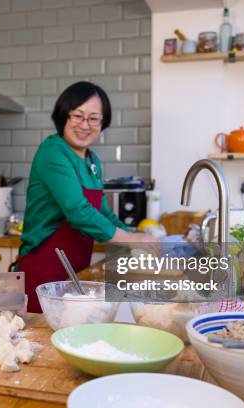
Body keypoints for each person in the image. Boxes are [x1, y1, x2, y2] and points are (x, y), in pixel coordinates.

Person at [16, 81, 156, 313]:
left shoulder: (92, 161)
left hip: (75, 267)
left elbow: (102, 212)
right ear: (64, 116)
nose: (84, 125)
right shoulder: (53, 152)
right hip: (45, 267)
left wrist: (136, 235)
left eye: (93, 118)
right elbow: (78, 210)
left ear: (103, 123)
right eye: (77, 116)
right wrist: (131, 240)